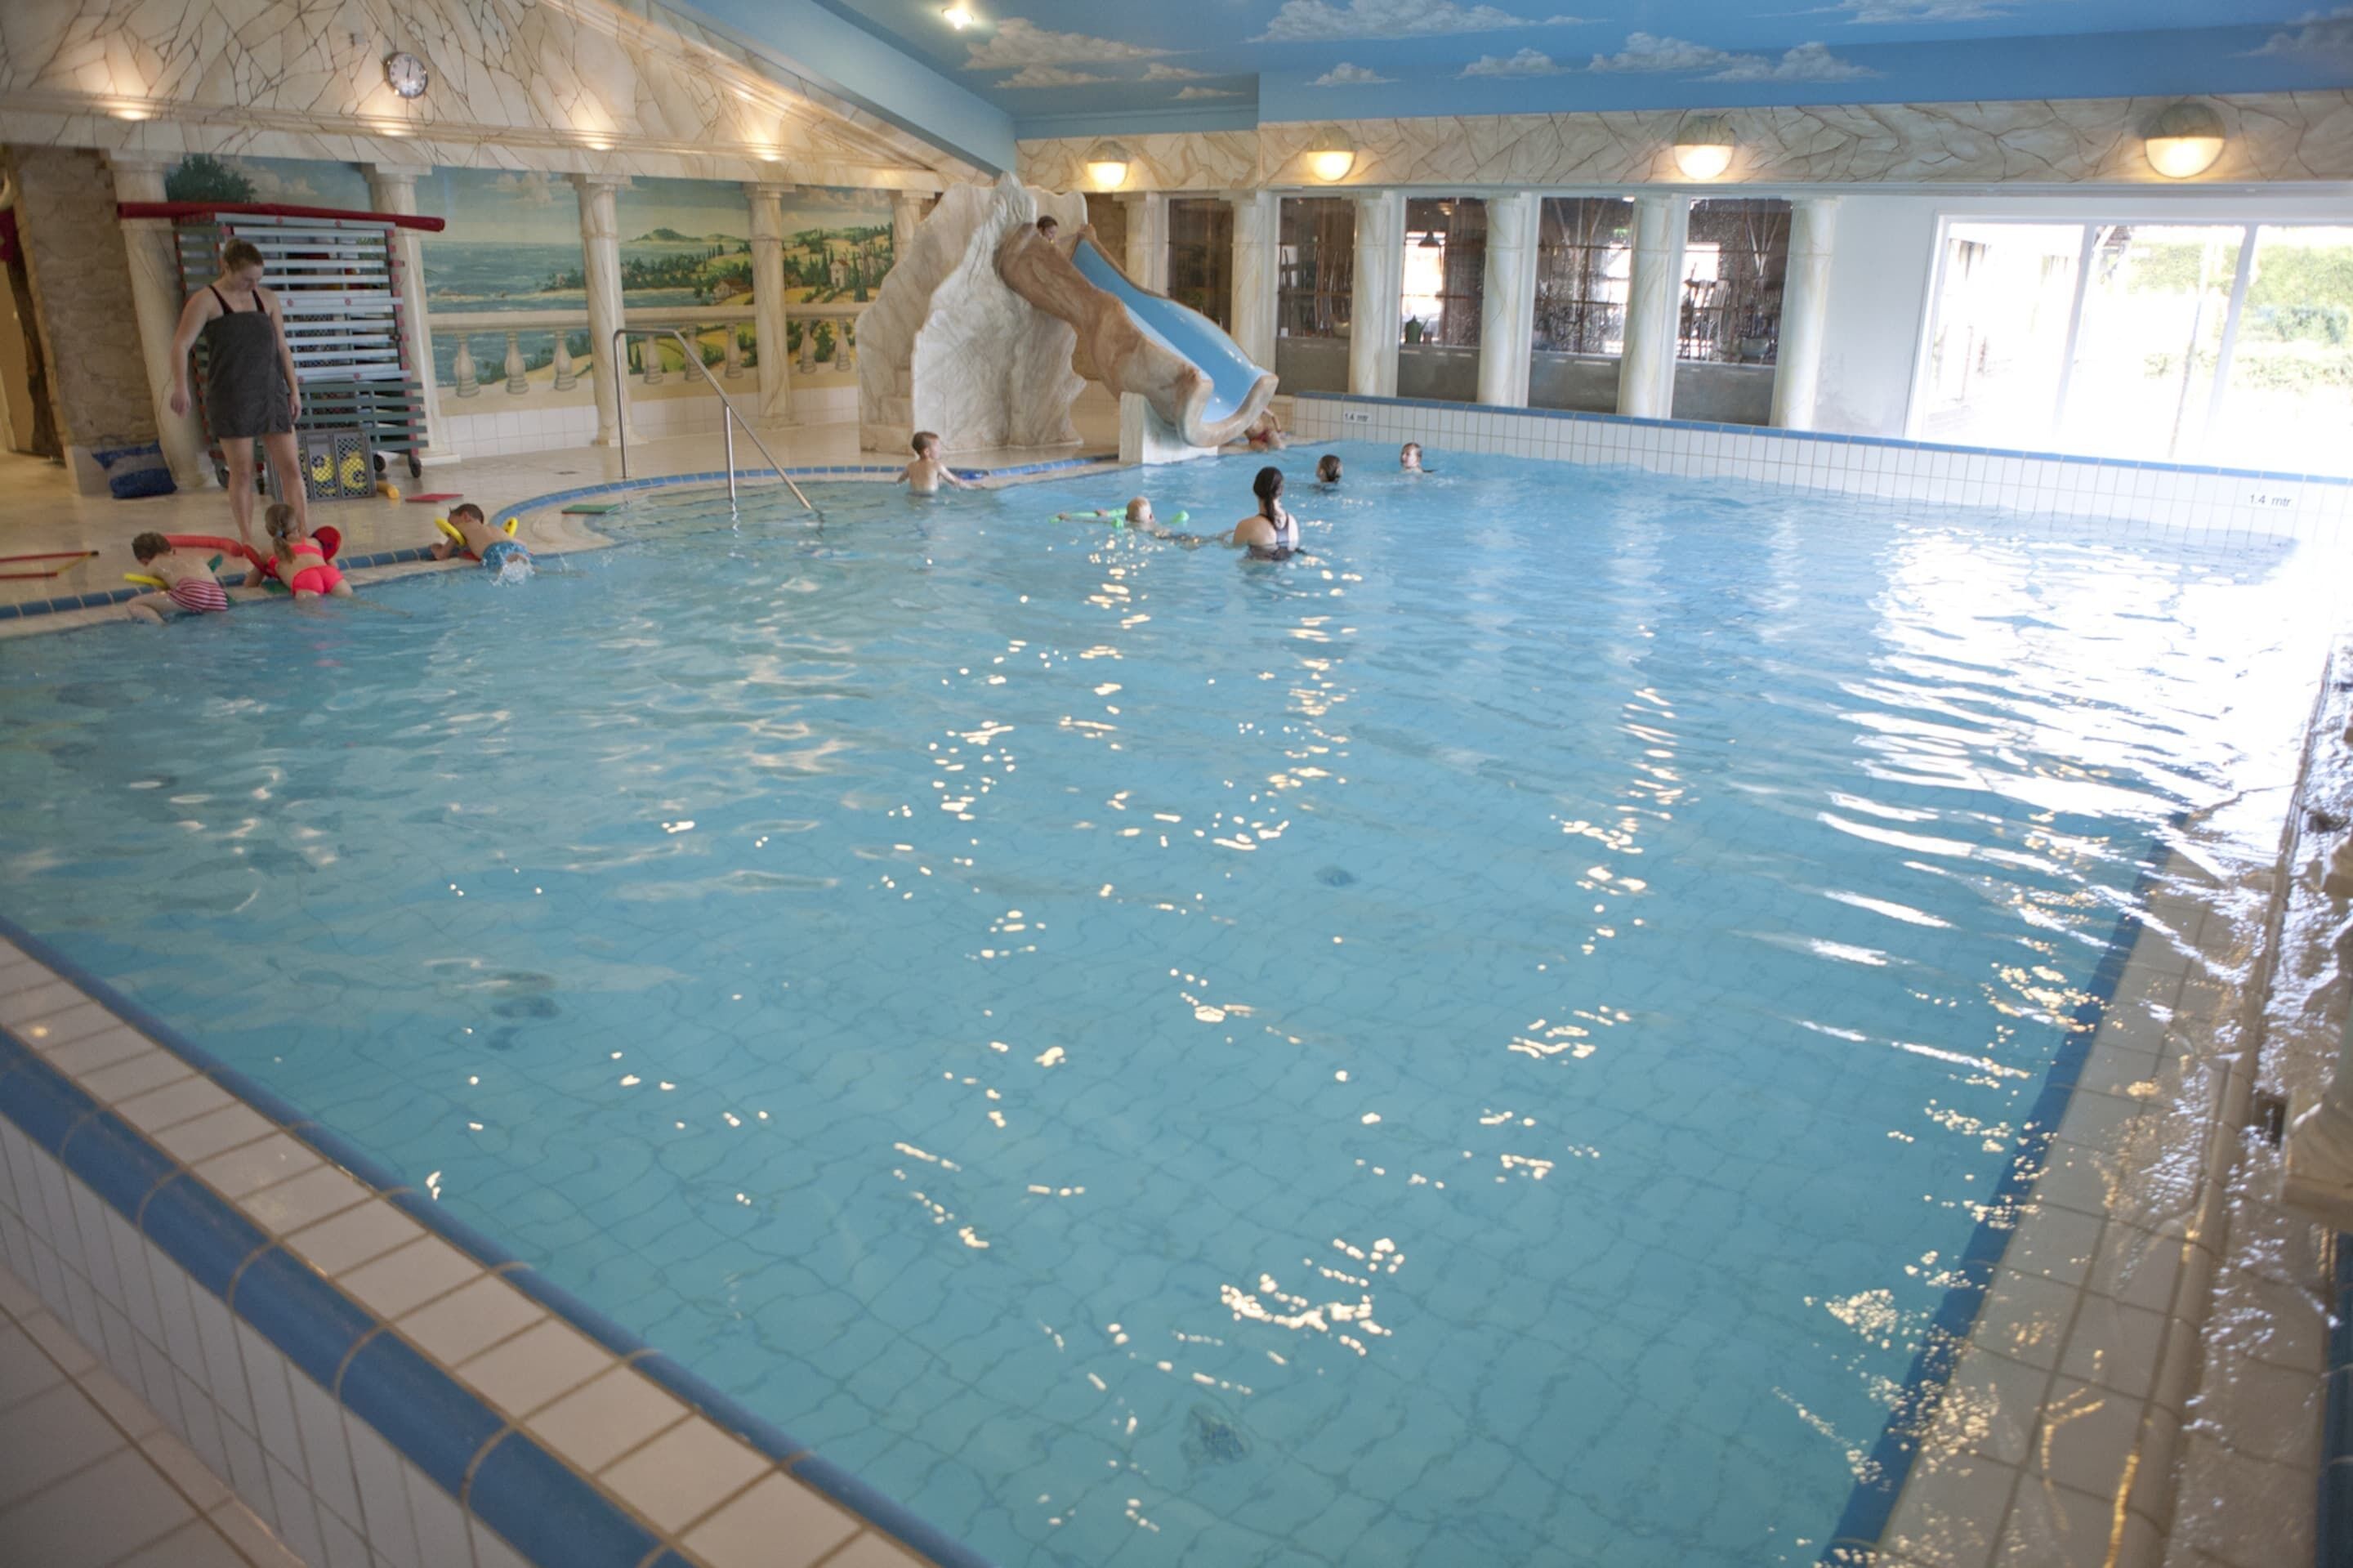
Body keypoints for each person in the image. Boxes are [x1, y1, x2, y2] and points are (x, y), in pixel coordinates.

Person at [165, 239, 309, 552]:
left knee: (291, 468)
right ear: (225, 267)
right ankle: (246, 539)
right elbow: (180, 344)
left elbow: (282, 347)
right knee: (242, 472)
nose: (252, 285)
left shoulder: (267, 299)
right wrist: (180, 386)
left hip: (270, 391)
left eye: (257, 279)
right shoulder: (206, 301)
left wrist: (293, 390)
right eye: (246, 279)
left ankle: (302, 535)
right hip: (231, 393)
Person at [123, 533, 230, 623]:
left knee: (133, 604)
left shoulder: (153, 564)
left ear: (144, 560)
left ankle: (162, 627)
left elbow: (162, 593)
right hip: (218, 596)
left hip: (192, 591)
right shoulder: (192, 557)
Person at [261, 503, 350, 601]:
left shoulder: (268, 552)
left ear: (268, 530)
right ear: (298, 525)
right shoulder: (314, 542)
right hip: (330, 574)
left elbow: (251, 583)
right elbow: (335, 567)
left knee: (314, 613)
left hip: (305, 580)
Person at [430, 503, 529, 570]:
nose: (449, 529)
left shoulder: (461, 527)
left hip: (494, 551)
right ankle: (520, 558)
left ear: (465, 516)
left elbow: (441, 556)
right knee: (524, 565)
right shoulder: (493, 527)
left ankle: (516, 558)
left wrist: (435, 547)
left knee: (503, 567)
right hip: (515, 546)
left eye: (450, 523)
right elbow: (524, 544)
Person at [1230, 466, 1298, 559]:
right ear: (1281, 491)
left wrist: (1218, 540)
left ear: (1255, 490)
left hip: (1256, 572)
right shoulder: (1292, 522)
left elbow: (1232, 549)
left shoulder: (1246, 526)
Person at [900, 432, 972, 496]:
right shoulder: (937, 465)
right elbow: (955, 481)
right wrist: (972, 487)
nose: (940, 449)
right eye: (937, 446)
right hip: (930, 496)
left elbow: (900, 481)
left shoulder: (911, 465)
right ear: (927, 452)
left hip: (913, 495)